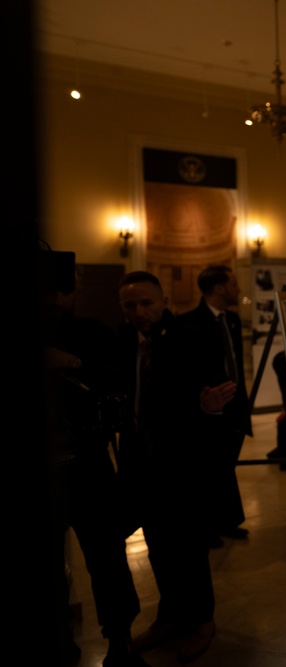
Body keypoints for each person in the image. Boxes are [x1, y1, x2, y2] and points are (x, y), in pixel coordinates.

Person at [117, 271, 235, 662]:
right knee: (158, 548)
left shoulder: (191, 340)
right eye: (130, 305)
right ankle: (170, 617)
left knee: (189, 549)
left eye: (146, 302)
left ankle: (202, 621)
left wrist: (206, 407)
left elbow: (213, 399)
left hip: (183, 468)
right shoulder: (120, 345)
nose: (139, 312)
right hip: (140, 467)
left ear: (163, 300)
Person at [41, 251, 147, 666]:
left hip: (87, 463)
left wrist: (68, 362)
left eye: (59, 292)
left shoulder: (92, 333)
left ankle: (120, 640)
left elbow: (118, 382)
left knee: (107, 560)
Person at [177, 265, 252, 544]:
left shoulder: (231, 319)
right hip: (208, 411)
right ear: (219, 288)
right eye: (233, 284)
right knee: (206, 470)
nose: (238, 289)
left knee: (225, 467)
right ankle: (207, 527)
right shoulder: (188, 322)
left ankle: (227, 521)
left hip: (234, 408)